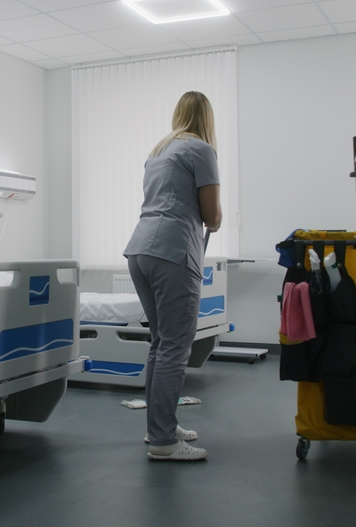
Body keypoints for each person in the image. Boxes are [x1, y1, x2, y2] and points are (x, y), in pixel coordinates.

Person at [123, 91, 222, 461]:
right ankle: (164, 440)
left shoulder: (159, 152)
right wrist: (218, 216)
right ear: (206, 119)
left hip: (141, 248)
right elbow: (211, 216)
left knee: (160, 342)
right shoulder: (202, 150)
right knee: (176, 346)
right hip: (173, 250)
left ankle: (160, 427)